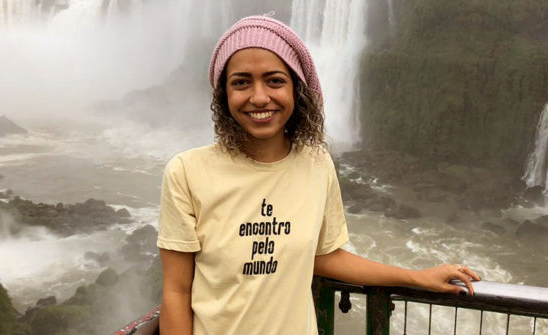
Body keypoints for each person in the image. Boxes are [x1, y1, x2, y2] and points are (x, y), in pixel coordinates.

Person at [156, 14, 481, 335]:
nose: (258, 97)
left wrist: (415, 276)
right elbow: (176, 293)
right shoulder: (187, 172)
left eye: (274, 80)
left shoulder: (316, 164)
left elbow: (324, 256)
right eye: (241, 82)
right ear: (223, 94)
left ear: (296, 90)